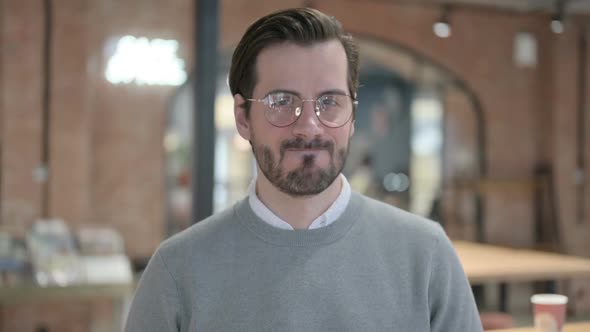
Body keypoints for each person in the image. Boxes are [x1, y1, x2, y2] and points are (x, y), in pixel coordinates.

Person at [125, 7, 483, 332]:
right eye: (281, 102)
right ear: (242, 118)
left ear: (353, 116)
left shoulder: (426, 255)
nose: (309, 126)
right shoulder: (177, 271)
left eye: (330, 102)